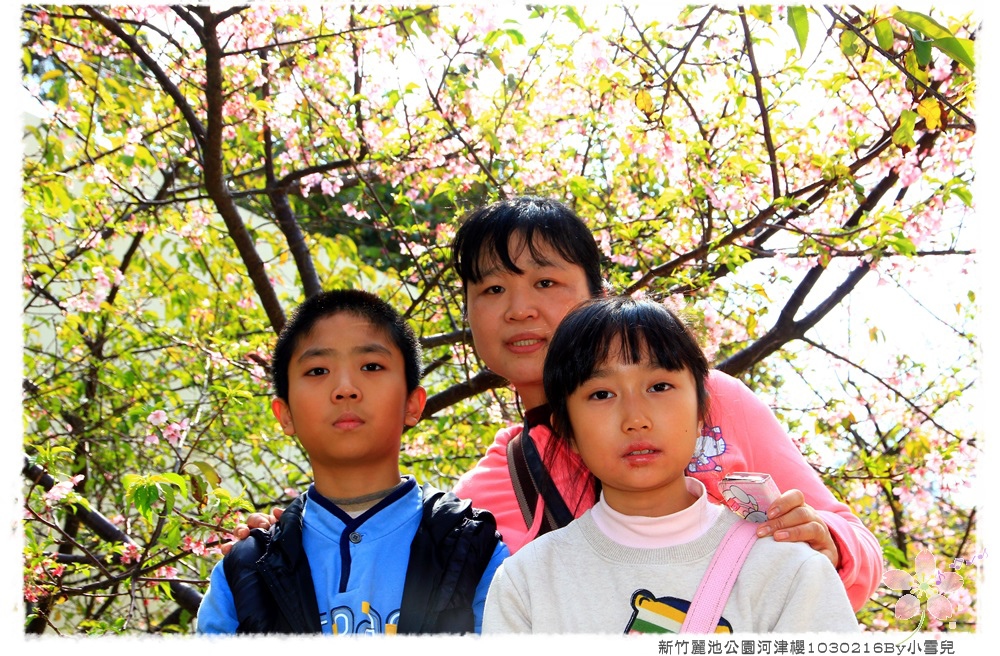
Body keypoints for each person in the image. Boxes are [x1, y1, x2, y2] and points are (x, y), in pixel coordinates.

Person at [230, 196, 883, 611]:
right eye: (490, 290)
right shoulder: (482, 495)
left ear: (595, 293)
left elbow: (858, 556)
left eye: (546, 281)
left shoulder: (710, 405)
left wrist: (827, 545)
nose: (519, 308)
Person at [482, 296, 859, 633]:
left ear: (702, 413)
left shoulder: (787, 570)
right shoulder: (526, 584)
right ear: (568, 431)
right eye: (601, 394)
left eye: (659, 387)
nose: (635, 418)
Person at [196, 289, 508, 635]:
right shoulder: (244, 571)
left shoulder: (472, 547)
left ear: (413, 404)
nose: (345, 388)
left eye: (371, 366)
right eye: (317, 371)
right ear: (285, 415)